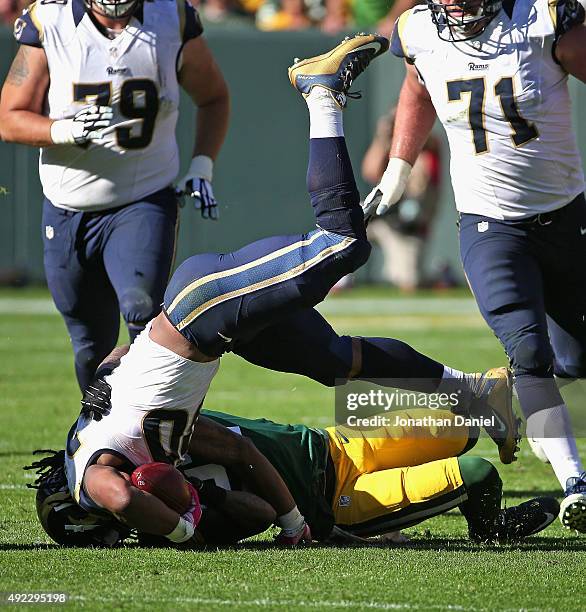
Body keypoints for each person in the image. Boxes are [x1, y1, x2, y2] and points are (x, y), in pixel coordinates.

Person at [22, 34, 521, 548]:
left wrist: (182, 526)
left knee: (344, 246)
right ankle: (478, 393)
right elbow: (117, 364)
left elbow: (121, 497)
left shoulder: (97, 475)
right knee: (335, 360)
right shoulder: (120, 442)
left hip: (203, 309)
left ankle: (321, 95)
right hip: (209, 326)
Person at [362, 0, 586, 531]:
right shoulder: (420, 28)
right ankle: (576, 484)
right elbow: (418, 86)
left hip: (566, 218)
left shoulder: (544, 21)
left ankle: (503, 393)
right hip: (489, 226)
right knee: (530, 352)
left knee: (573, 362)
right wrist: (398, 169)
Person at [0, 0, 230, 392]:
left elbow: (213, 97)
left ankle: (153, 431)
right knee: (89, 342)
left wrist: (202, 164)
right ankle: (98, 434)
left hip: (143, 196)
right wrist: (64, 131)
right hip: (68, 205)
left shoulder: (170, 17)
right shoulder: (50, 20)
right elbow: (9, 117)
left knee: (144, 315)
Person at [26, 406, 560, 547]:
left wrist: (105, 378)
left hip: (332, 442)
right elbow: (256, 516)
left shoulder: (130, 428)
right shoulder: (164, 503)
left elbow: (128, 356)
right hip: (340, 499)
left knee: (462, 424)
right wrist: (197, 502)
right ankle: (491, 529)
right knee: (478, 473)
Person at [362, 106, 441, 291]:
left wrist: (403, 131)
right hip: (380, 217)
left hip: (406, 228)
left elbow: (428, 145)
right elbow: (370, 172)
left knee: (409, 282)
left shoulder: (429, 146)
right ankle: (340, 277)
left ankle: (441, 274)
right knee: (346, 224)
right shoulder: (388, 145)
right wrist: (382, 138)